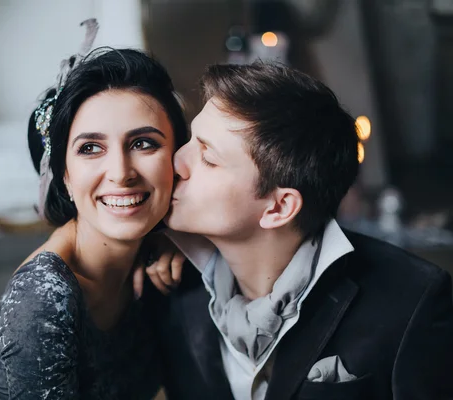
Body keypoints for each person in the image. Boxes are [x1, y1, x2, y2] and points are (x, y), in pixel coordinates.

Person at [143, 62, 453, 399]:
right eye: (190, 139)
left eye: (208, 157)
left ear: (278, 207)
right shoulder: (165, 280)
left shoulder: (412, 302)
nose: (175, 161)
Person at [0, 23, 189, 399]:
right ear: (63, 174)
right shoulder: (41, 304)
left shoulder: (160, 251)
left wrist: (180, 238)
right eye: (90, 149)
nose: (121, 173)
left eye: (144, 143)